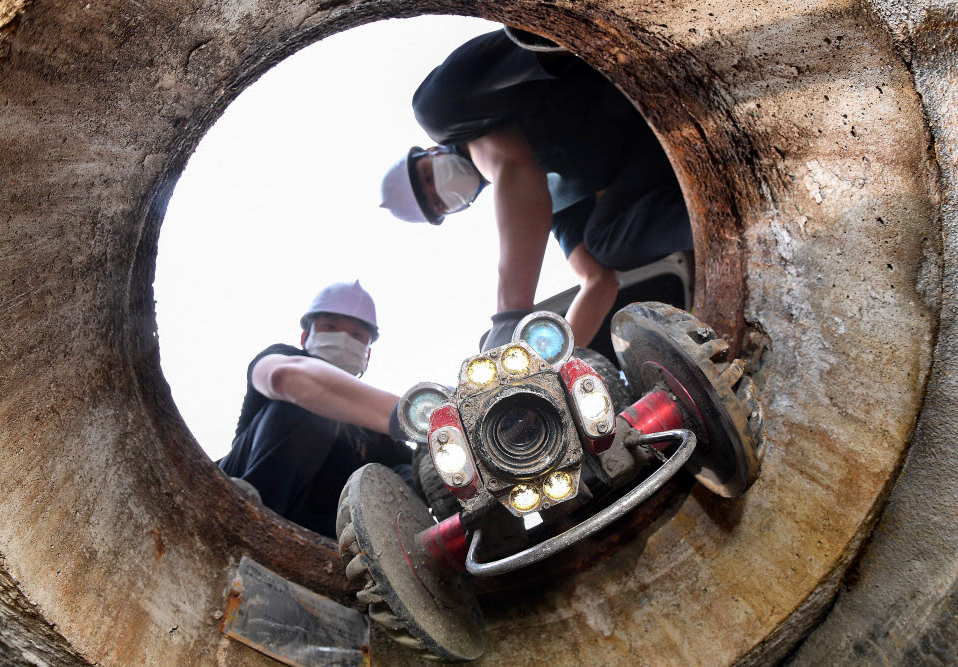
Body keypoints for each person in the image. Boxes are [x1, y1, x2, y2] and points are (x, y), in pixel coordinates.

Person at [380, 27, 693, 350]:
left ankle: (566, 29)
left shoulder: (451, 113)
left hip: (624, 61)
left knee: (432, 109)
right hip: (662, 139)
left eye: (428, 177)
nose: (442, 190)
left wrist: (509, 315)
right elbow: (597, 282)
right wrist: (549, 363)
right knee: (605, 245)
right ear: (456, 210)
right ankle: (717, 221)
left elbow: (511, 163)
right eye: (439, 204)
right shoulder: (544, 205)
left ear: (430, 153)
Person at [218, 280, 413, 539]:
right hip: (247, 490)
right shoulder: (282, 357)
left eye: (356, 334)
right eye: (330, 327)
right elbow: (286, 378)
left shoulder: (375, 432)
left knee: (408, 473)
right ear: (304, 337)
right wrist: (419, 411)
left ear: (367, 354)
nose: (343, 338)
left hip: (317, 528)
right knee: (315, 404)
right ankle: (247, 519)